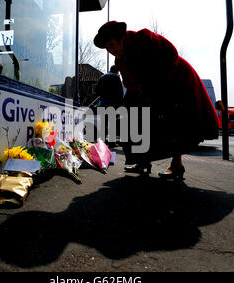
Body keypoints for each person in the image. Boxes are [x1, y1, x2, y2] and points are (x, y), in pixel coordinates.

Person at [94, 21, 219, 180]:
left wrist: (154, 88)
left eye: (112, 44)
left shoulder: (143, 39)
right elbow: (132, 86)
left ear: (122, 38)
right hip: (151, 92)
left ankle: (176, 165)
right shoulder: (120, 61)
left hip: (176, 83)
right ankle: (142, 161)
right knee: (133, 121)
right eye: (107, 48)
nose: (111, 50)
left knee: (174, 124)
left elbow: (171, 54)